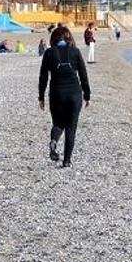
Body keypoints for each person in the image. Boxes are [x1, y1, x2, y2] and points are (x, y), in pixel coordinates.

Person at [38, 26, 91, 168]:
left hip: (56, 93)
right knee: (71, 127)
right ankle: (66, 161)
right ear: (69, 38)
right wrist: (87, 95)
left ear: (53, 38)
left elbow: (43, 76)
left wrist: (41, 97)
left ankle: (54, 141)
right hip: (74, 93)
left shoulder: (49, 53)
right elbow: (83, 75)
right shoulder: (75, 51)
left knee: (58, 124)